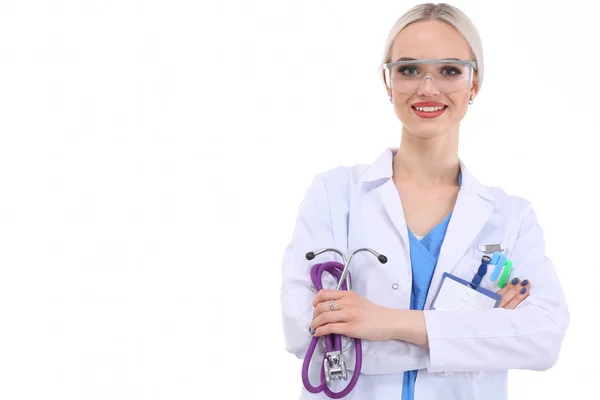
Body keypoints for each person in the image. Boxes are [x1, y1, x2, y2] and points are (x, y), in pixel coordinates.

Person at [280, 3, 570, 400]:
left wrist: (386, 322)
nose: (427, 88)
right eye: (409, 70)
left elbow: (543, 338)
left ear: (474, 83)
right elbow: (303, 333)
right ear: (388, 82)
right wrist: (480, 330)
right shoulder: (334, 195)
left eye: (449, 70)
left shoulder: (511, 218)